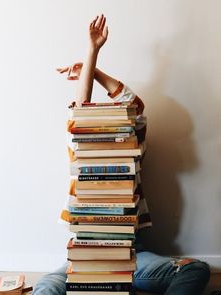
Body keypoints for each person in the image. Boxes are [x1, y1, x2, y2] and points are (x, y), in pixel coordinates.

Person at [33, 15, 210, 295]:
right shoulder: (78, 154)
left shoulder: (132, 153)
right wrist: (91, 54)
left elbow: (134, 106)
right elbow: (81, 113)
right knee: (45, 286)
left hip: (131, 256)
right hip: (83, 256)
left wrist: (96, 70)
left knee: (195, 269)